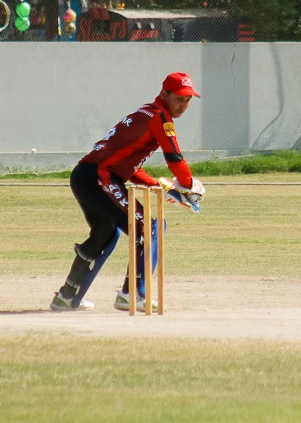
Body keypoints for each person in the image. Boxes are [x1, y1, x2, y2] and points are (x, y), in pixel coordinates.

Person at [50, 72, 206, 312]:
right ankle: (132, 294)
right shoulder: (160, 117)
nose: (183, 105)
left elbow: (128, 165)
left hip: (85, 176)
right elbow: (174, 157)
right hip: (99, 177)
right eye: (179, 99)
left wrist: (158, 186)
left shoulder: (145, 113)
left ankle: (66, 297)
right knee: (149, 228)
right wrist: (188, 185)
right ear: (164, 94)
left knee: (105, 233)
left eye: (187, 100)